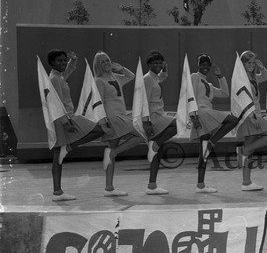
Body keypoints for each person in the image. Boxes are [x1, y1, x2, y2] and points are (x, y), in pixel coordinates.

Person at [47, 49, 104, 201]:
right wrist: (67, 123)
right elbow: (56, 104)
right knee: (98, 130)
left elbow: (69, 70)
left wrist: (73, 60)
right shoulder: (54, 79)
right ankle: (57, 191)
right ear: (52, 63)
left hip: (64, 118)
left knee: (58, 156)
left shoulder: (58, 76)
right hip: (64, 118)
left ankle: (57, 192)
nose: (63, 63)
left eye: (64, 60)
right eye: (60, 61)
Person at [93, 51, 142, 197]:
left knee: (111, 151)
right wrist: (103, 124)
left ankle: (109, 188)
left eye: (107, 60)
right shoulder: (99, 81)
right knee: (140, 136)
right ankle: (113, 153)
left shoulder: (115, 77)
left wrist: (120, 68)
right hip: (113, 118)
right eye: (102, 62)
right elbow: (98, 103)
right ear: (98, 65)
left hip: (122, 115)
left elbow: (131, 76)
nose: (106, 63)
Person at [191, 53, 238, 193]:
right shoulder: (194, 77)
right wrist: (193, 117)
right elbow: (190, 96)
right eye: (202, 64)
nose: (205, 67)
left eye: (207, 65)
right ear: (198, 65)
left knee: (203, 151)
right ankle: (213, 141)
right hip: (201, 113)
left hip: (207, 114)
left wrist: (220, 76)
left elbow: (225, 93)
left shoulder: (209, 85)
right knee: (232, 119)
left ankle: (200, 185)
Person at [237, 50, 267, 191]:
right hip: (250, 115)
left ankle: (246, 182)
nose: (251, 65)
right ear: (242, 64)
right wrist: (251, 116)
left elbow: (266, 77)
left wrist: (261, 67)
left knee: (250, 150)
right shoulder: (241, 78)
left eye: (253, 62)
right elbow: (241, 98)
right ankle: (245, 151)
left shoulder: (252, 76)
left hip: (256, 114)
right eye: (249, 62)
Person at [142, 50, 177, 195]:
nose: (158, 65)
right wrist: (146, 121)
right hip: (153, 116)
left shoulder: (155, 77)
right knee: (178, 124)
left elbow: (163, 76)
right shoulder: (147, 79)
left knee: (156, 153)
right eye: (155, 63)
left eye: (159, 62)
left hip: (159, 114)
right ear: (149, 64)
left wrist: (165, 67)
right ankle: (156, 145)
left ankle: (152, 185)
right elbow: (143, 101)